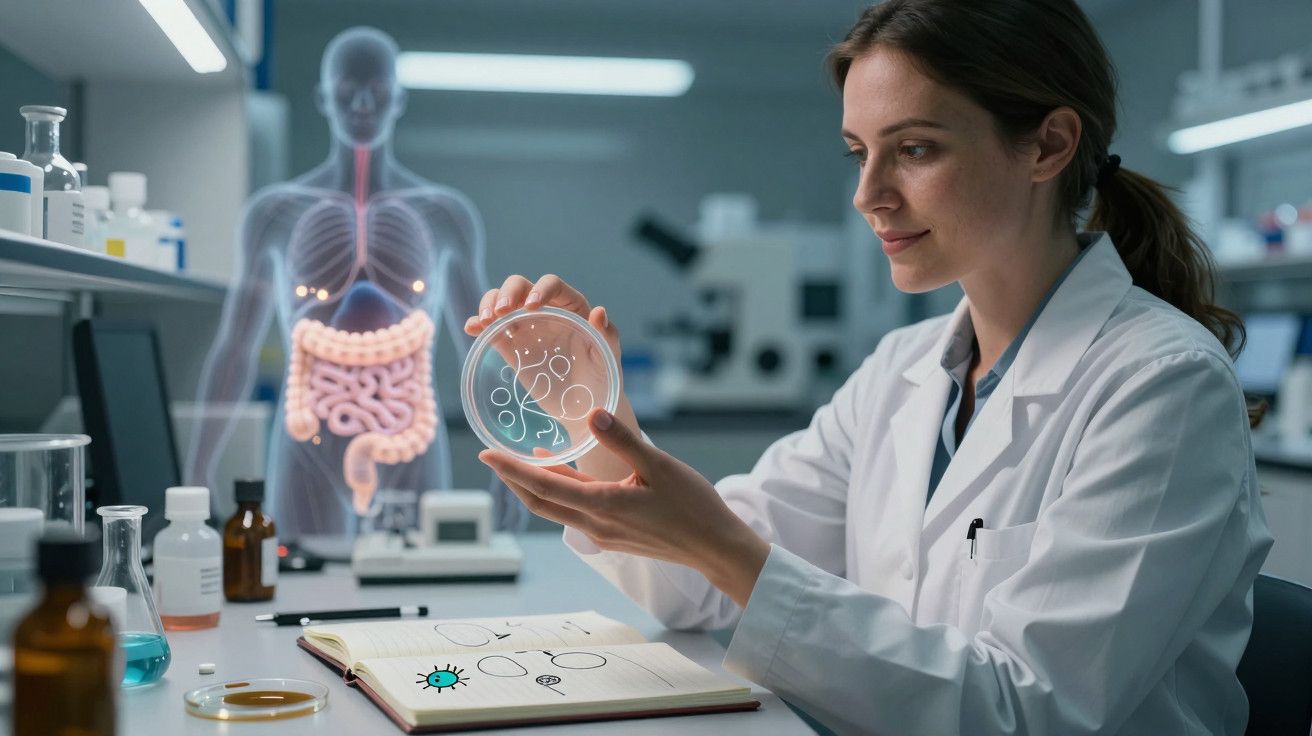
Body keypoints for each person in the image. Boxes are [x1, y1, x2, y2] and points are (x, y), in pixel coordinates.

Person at [468, 0, 1274, 732]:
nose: (868, 194)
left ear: (1048, 145)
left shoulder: (1164, 386)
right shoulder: (904, 368)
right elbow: (694, 588)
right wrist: (591, 411)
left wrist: (722, 546)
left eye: (914, 149)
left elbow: (1029, 712)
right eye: (860, 152)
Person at [187, 27, 525, 536]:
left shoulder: (444, 214)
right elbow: (236, 346)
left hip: (409, 434)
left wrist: (514, 461)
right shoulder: (275, 213)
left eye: (378, 92)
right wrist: (197, 470)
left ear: (398, 99)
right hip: (308, 436)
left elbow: (484, 349)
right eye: (348, 92)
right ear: (325, 97)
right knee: (304, 593)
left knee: (417, 600)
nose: (363, 105)